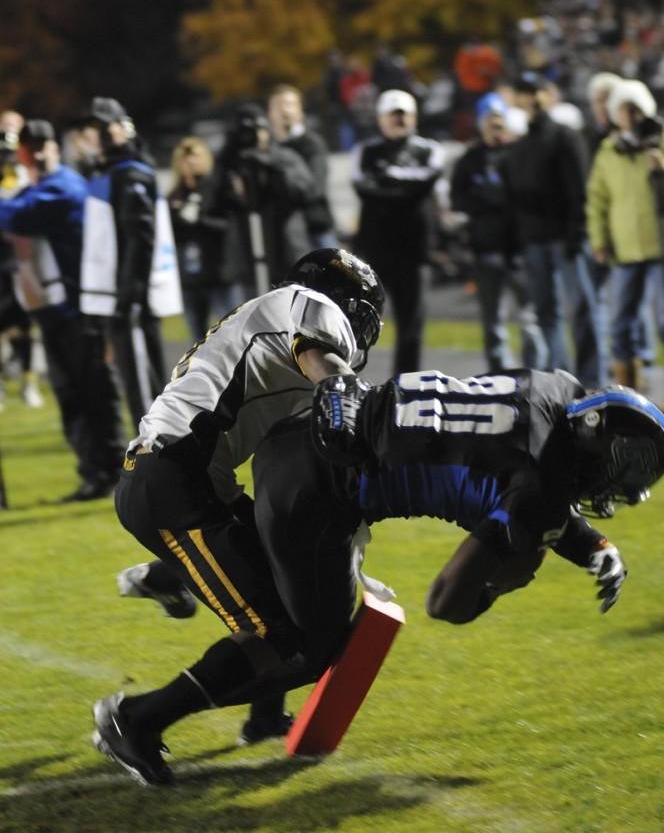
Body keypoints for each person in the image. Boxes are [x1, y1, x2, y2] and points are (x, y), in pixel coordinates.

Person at [91, 365, 664, 785]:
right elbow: (447, 599)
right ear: (594, 438)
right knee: (308, 648)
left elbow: (506, 459)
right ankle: (138, 719)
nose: (619, 486)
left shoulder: (555, 386)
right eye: (623, 467)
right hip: (320, 492)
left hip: (308, 434)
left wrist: (593, 546)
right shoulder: (540, 491)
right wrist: (502, 584)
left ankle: (193, 589)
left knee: (294, 603)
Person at [109, 248, 385, 751]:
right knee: (277, 636)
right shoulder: (306, 306)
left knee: (294, 590)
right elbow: (322, 362)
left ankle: (172, 581)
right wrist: (349, 402)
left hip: (188, 478)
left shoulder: (266, 321)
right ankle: (137, 720)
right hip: (174, 483)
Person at [0, 120, 125, 500]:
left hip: (77, 310)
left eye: (42, 146)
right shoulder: (37, 187)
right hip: (53, 311)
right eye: (28, 148)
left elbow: (17, 216)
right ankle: (94, 474)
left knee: (94, 393)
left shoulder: (64, 186)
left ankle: (116, 471)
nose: (36, 154)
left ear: (56, 147)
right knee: (72, 397)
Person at [79, 97, 181, 430]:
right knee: (138, 388)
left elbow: (140, 241)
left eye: (98, 128)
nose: (91, 136)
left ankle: (159, 463)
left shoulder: (129, 173)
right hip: (120, 298)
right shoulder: (111, 172)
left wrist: (129, 298)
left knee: (145, 393)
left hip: (130, 301)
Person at [502, 72, 606, 387]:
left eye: (535, 91)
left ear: (547, 95)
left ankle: (591, 378)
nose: (530, 98)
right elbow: (514, 198)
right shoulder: (519, 146)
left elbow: (579, 188)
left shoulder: (564, 136)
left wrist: (577, 231)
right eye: (524, 92)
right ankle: (565, 379)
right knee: (548, 313)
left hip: (564, 237)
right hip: (535, 239)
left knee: (582, 309)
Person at [352, 89, 445, 374]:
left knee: (411, 323)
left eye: (403, 115)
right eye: (392, 116)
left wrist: (388, 179)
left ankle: (405, 385)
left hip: (414, 248)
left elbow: (428, 180)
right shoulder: (365, 151)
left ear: (414, 117)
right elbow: (362, 187)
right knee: (358, 321)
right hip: (374, 247)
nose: (398, 121)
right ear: (380, 119)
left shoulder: (429, 149)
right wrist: (406, 189)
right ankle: (349, 382)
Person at [450, 93, 546, 372]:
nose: (495, 123)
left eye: (499, 118)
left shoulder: (519, 153)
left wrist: (488, 196)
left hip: (521, 248)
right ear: (481, 123)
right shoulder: (470, 159)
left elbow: (529, 195)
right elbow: (458, 199)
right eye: (490, 118)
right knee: (494, 322)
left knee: (531, 319)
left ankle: (535, 374)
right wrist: (494, 198)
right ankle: (500, 378)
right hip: (486, 248)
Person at [586, 79, 664, 390]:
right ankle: (629, 392)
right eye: (624, 109)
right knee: (619, 323)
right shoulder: (609, 151)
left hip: (660, 245)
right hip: (624, 247)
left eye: (635, 109)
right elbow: (597, 200)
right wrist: (600, 240)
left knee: (662, 321)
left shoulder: (659, 143)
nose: (629, 116)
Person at [204, 104, 316, 296]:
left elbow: (306, 192)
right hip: (246, 252)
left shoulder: (284, 157)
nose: (253, 137)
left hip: (285, 247)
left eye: (257, 131)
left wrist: (271, 166)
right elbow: (212, 203)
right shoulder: (228, 162)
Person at [168, 136, 240, 341]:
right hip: (190, 278)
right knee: (197, 340)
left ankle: (241, 373)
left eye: (195, 156)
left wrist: (200, 219)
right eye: (185, 158)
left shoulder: (217, 190)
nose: (190, 162)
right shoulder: (174, 196)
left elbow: (229, 227)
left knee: (232, 332)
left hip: (219, 273)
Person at [0, 122, 43, 409]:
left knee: (27, 326)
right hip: (2, 261)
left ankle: (29, 382)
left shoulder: (28, 181)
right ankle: (2, 383)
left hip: (24, 261)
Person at [268, 84, 336, 248]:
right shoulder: (266, 147)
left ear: (300, 111)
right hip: (277, 233)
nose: (285, 110)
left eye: (290, 104)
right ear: (270, 113)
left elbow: (315, 188)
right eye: (279, 105)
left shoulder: (312, 144)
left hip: (315, 230)